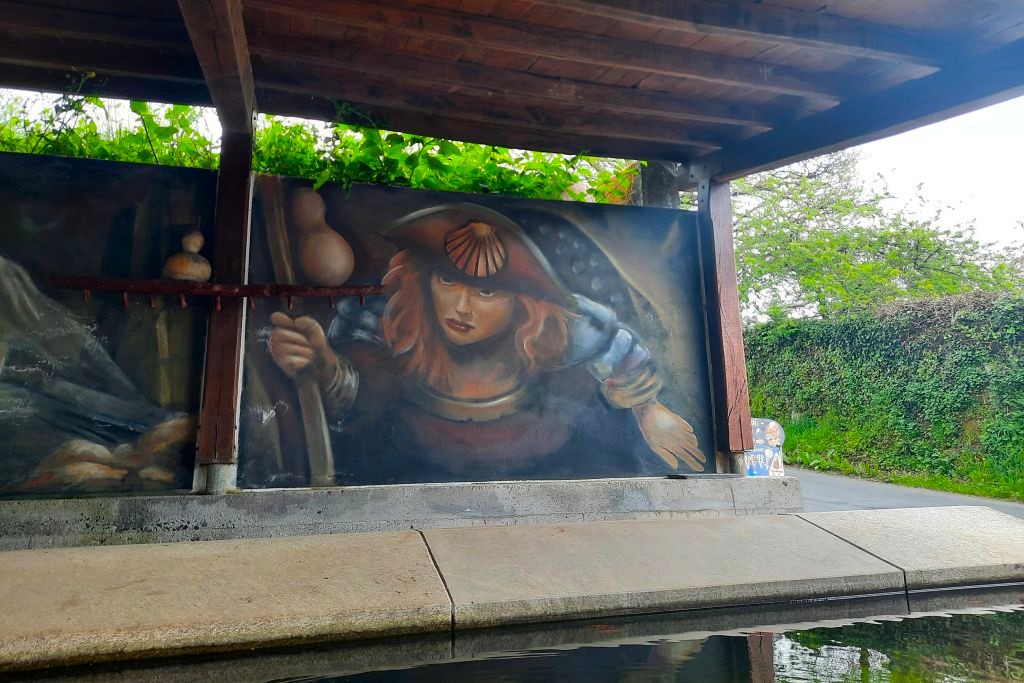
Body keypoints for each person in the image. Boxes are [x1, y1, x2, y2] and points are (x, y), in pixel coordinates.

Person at [269, 203, 705, 483]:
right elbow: (358, 388)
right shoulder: (393, 313)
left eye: (486, 291)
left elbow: (617, 348)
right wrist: (324, 367)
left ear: (522, 302)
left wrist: (649, 410)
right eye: (447, 282)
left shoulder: (554, 326)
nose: (461, 307)